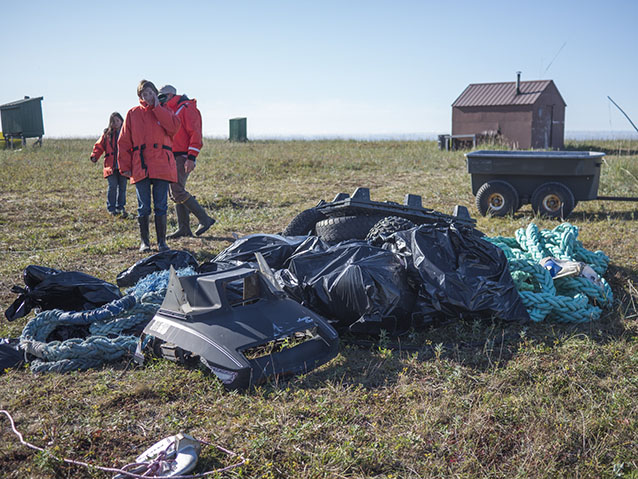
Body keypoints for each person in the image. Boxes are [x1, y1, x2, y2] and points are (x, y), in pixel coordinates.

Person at [118, 80, 181, 253]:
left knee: (161, 204)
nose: (147, 97)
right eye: (143, 95)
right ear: (140, 97)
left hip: (162, 163)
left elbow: (174, 128)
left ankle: (162, 242)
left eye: (149, 93)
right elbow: (123, 142)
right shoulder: (133, 113)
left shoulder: (166, 110)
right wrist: (124, 165)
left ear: (155, 93)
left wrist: (157, 108)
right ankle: (144, 242)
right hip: (141, 164)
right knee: (143, 205)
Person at [157, 84, 215, 238]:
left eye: (161, 96)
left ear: (169, 95)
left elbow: (195, 134)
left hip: (182, 156)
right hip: (171, 155)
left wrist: (191, 158)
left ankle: (204, 218)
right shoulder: (170, 109)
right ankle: (184, 228)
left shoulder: (187, 108)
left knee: (177, 189)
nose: (159, 99)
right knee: (175, 190)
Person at [90, 112, 127, 217]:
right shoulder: (107, 134)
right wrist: (95, 156)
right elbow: (99, 146)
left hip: (123, 166)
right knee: (113, 186)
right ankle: (111, 208)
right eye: (113, 121)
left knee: (123, 188)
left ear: (121, 121)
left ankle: (121, 207)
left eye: (117, 121)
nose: (115, 123)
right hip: (110, 166)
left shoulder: (126, 133)